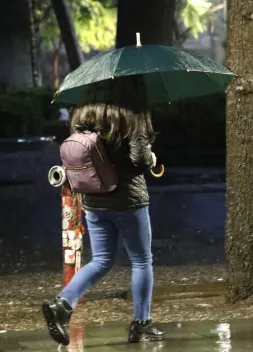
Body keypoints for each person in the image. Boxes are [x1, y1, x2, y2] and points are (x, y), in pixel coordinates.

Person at [42, 76, 164, 346]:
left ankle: (62, 304)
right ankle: (141, 324)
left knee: (101, 260)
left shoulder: (82, 114)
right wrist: (151, 158)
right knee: (142, 261)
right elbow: (139, 161)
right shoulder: (131, 115)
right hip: (128, 201)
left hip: (94, 201)